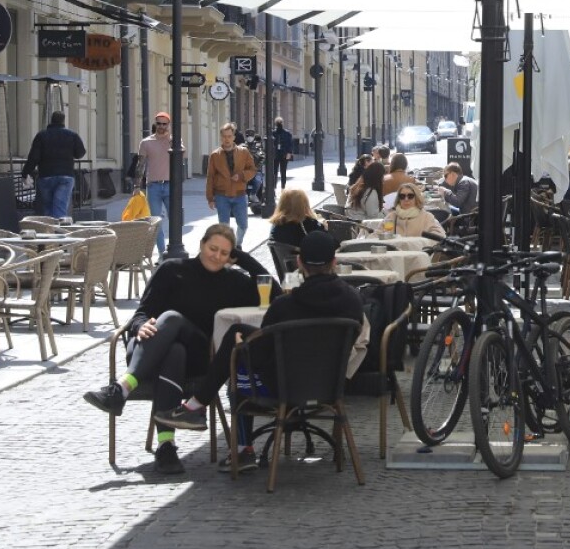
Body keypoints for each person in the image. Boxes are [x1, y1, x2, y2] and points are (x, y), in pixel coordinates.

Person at [154, 231, 365, 473]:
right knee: (239, 333)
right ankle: (197, 406)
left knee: (238, 361)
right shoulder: (352, 300)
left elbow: (263, 353)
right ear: (334, 263)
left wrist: (242, 345)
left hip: (283, 386)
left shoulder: (286, 306)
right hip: (332, 384)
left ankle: (241, 446)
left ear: (299, 263)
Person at [82, 225, 269, 474]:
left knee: (171, 319)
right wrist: (140, 326)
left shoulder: (234, 281)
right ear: (201, 244)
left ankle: (122, 389)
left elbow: (274, 292)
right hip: (149, 349)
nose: (217, 256)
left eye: (225, 253)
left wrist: (245, 259)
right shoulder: (172, 270)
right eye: (213, 248)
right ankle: (166, 447)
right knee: (174, 350)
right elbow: (141, 313)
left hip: (201, 357)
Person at [21, 111, 86, 218]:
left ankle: (49, 230)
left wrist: (25, 173)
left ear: (51, 120)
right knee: (60, 208)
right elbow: (80, 153)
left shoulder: (41, 135)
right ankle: (58, 231)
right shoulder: (72, 135)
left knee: (47, 208)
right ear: (63, 120)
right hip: (66, 175)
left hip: (46, 175)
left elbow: (33, 157)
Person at [135, 111, 180, 256]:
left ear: (169, 125)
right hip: (153, 186)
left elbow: (182, 157)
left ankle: (174, 247)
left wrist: (173, 142)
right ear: (155, 124)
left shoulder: (175, 141)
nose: (161, 126)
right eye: (158, 123)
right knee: (155, 222)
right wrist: (136, 186)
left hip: (170, 186)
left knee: (175, 219)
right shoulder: (146, 142)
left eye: (164, 124)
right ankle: (162, 253)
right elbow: (140, 165)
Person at [206, 122, 257, 242]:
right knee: (224, 228)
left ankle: (237, 244)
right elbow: (210, 177)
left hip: (239, 194)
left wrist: (241, 176)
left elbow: (252, 169)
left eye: (229, 136)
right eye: (224, 136)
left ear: (234, 137)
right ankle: (229, 249)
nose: (227, 139)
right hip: (221, 195)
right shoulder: (215, 155)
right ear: (221, 137)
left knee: (243, 225)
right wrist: (210, 198)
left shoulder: (243, 152)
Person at [271, 117, 294, 191]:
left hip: (279, 154)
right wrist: (289, 153)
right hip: (279, 154)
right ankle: (281, 187)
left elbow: (290, 144)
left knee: (278, 172)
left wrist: (289, 153)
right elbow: (290, 144)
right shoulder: (274, 133)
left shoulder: (275, 133)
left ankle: (279, 187)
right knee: (281, 172)